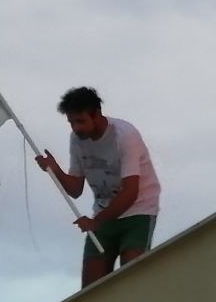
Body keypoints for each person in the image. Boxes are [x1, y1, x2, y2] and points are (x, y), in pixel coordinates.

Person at [36, 87, 161, 287]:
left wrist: (96, 222)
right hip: (104, 214)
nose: (76, 128)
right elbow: (75, 189)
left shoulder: (124, 135)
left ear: (96, 114)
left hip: (138, 211)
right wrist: (54, 169)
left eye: (81, 121)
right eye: (71, 122)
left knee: (132, 278)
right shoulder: (77, 140)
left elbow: (130, 193)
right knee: (90, 289)